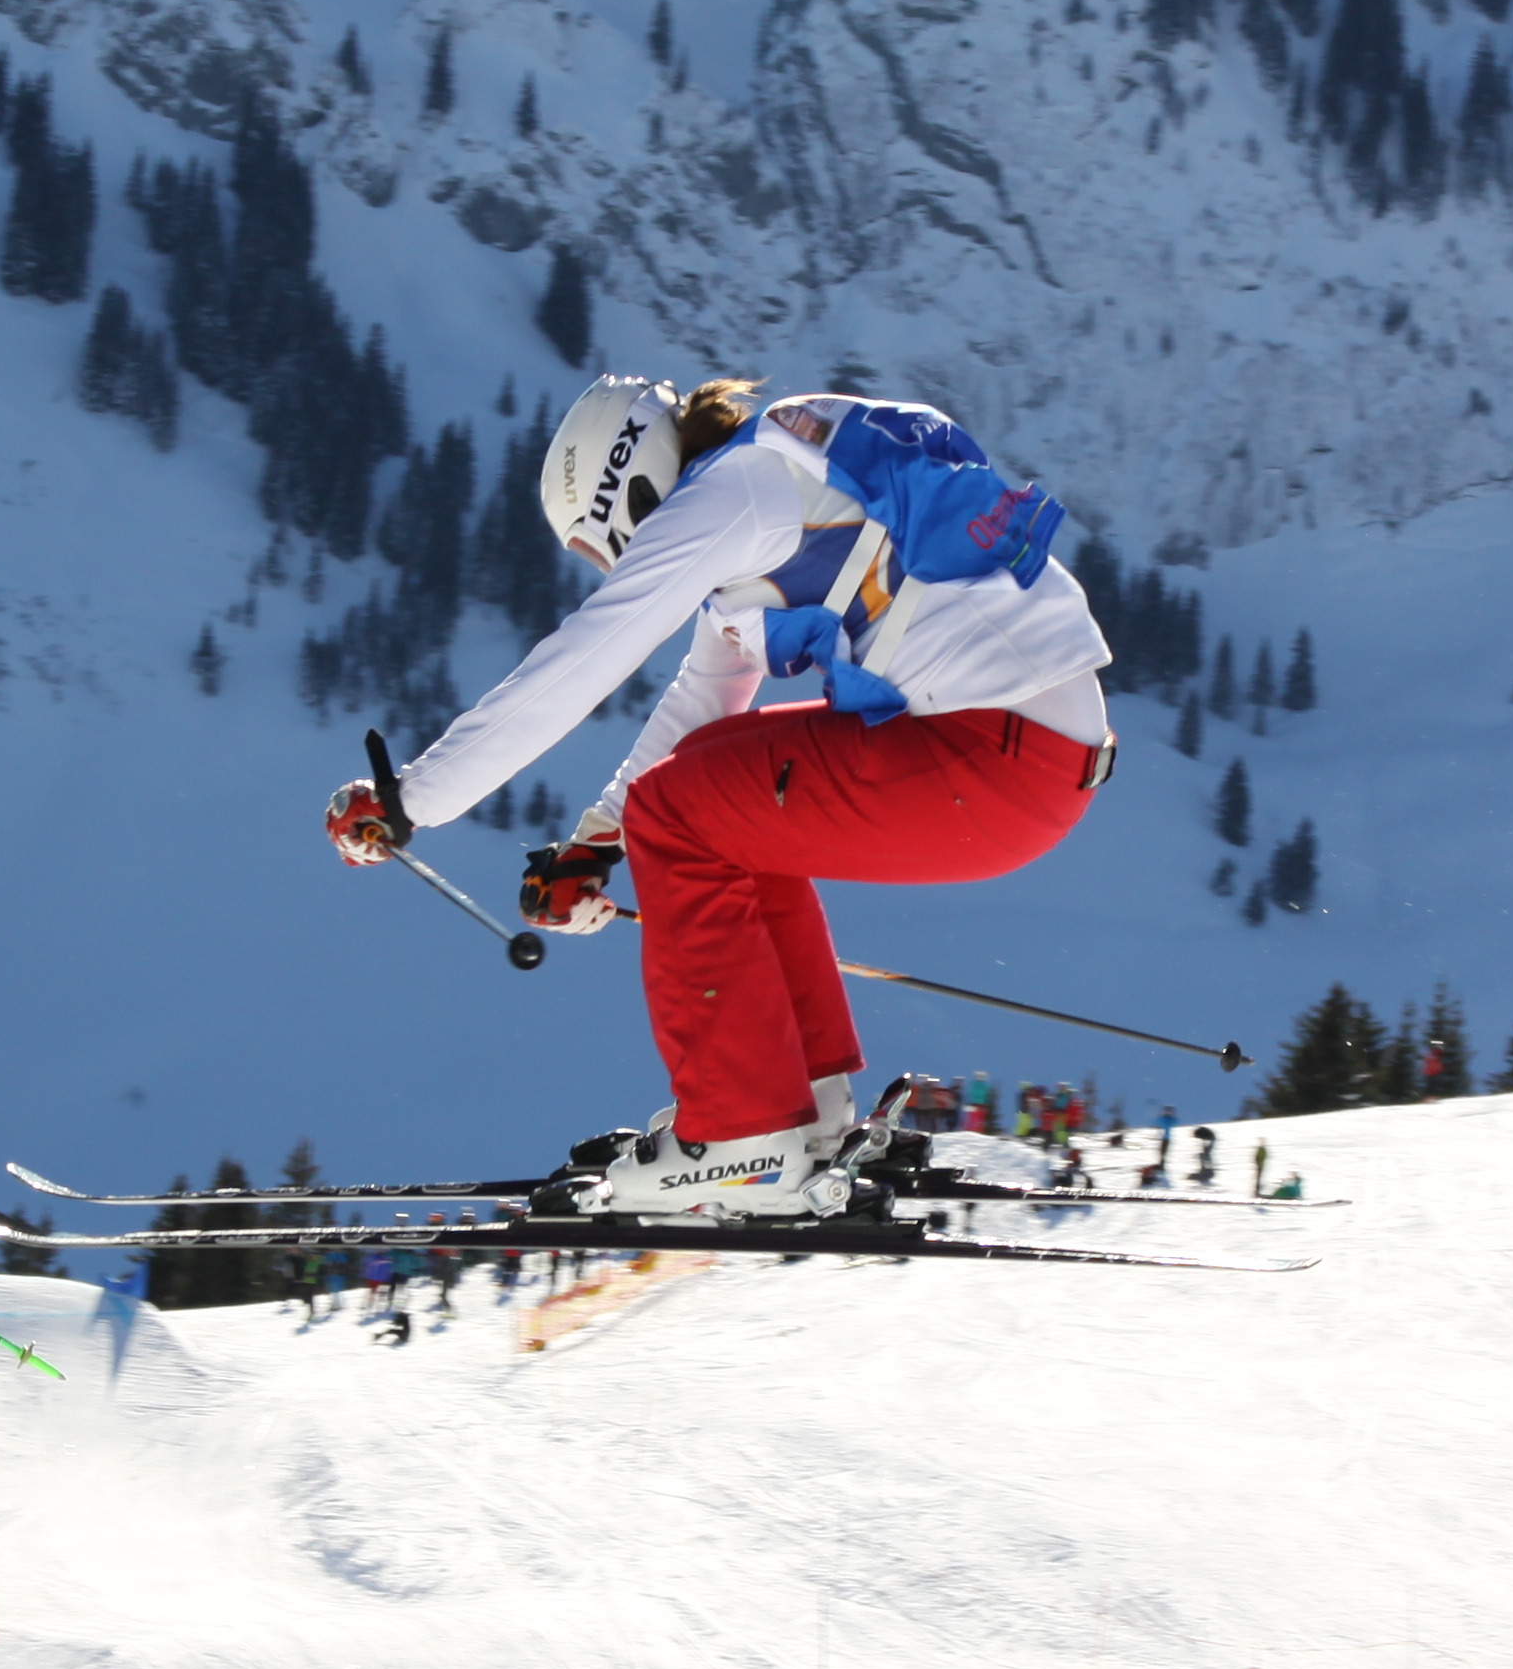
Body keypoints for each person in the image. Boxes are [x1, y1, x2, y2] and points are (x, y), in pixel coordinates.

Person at [326, 375, 1116, 1216]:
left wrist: (412, 800)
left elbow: (587, 657)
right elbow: (705, 700)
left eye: (602, 549)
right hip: (1023, 751)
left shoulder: (729, 497)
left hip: (990, 760)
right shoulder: (770, 472)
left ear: (626, 496)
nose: (615, 563)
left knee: (682, 809)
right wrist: (597, 843)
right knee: (714, 787)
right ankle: (804, 1112)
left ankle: (743, 1136)